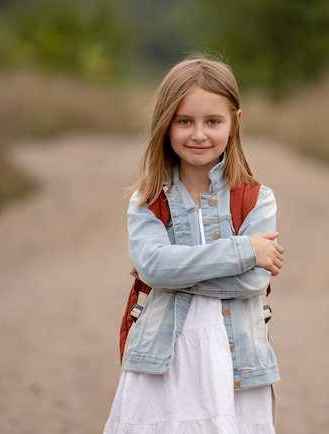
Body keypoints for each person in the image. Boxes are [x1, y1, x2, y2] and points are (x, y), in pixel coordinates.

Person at [104, 55, 284, 434]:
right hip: (165, 359)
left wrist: (171, 271)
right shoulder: (147, 199)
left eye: (212, 121)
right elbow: (154, 267)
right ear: (166, 124)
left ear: (234, 123)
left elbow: (251, 282)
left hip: (235, 360)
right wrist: (244, 250)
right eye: (185, 121)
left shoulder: (256, 199)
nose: (198, 134)